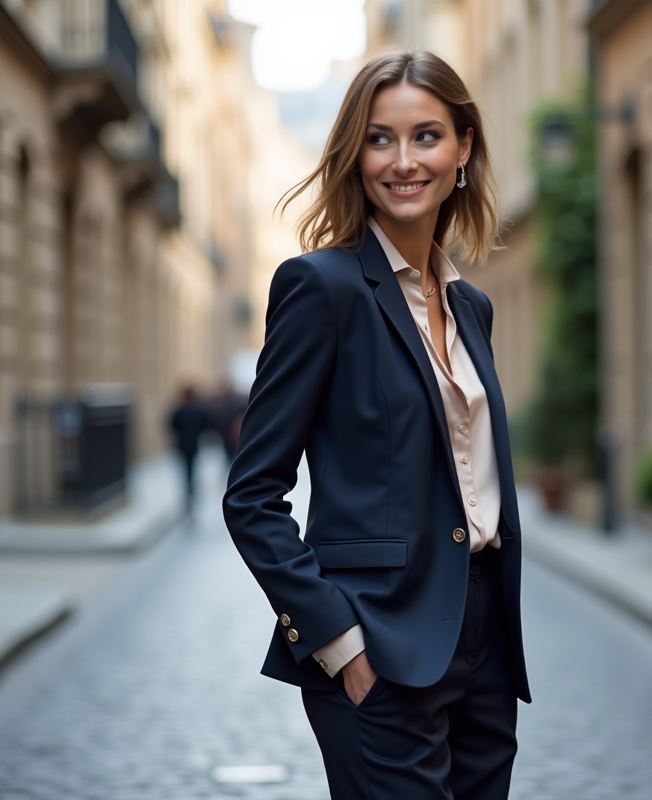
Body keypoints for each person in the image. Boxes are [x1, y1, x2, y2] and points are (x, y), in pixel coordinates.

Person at [222, 50, 529, 800]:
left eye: (426, 136)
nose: (403, 161)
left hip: (484, 638)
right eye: (380, 139)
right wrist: (338, 643)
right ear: (354, 157)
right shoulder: (319, 289)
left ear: (462, 150)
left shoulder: (472, 309)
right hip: (380, 646)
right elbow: (252, 494)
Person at [169, 386, 210, 514]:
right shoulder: (199, 411)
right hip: (194, 445)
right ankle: (191, 489)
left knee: (186, 469)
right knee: (192, 468)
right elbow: (206, 424)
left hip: (182, 445)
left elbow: (172, 425)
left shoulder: (179, 411)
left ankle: (188, 490)